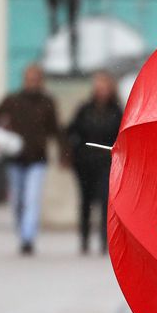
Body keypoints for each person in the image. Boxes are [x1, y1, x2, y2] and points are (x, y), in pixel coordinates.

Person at [0, 64, 67, 256]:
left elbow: (56, 129)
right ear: (24, 80)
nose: (33, 82)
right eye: (29, 79)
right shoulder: (12, 101)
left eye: (36, 79)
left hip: (37, 159)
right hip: (16, 159)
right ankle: (22, 231)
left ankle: (28, 237)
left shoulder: (47, 102)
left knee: (32, 199)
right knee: (18, 201)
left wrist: (64, 153)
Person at [66, 71, 123, 254]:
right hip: (85, 163)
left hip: (107, 162)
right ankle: (84, 238)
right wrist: (74, 150)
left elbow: (122, 135)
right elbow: (72, 130)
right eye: (98, 88)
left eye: (104, 88)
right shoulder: (85, 109)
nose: (101, 92)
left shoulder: (116, 111)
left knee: (106, 200)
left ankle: (104, 240)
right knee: (85, 201)